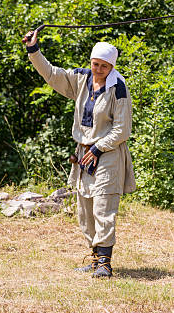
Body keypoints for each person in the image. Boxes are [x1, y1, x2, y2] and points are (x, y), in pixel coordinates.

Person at [22, 29, 135, 278]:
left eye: (104, 66)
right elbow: (51, 74)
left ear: (112, 66)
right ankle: (94, 259)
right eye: (95, 64)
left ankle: (105, 263)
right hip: (84, 152)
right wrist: (33, 50)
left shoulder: (119, 89)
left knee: (103, 206)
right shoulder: (80, 79)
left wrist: (97, 147)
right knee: (85, 209)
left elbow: (122, 129)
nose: (98, 69)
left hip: (108, 153)